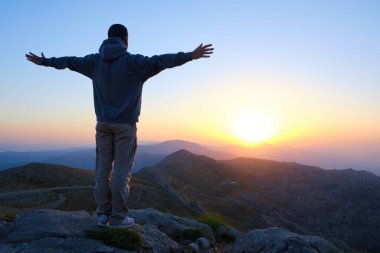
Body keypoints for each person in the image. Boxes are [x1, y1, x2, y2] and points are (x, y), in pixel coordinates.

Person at [25, 24, 214, 228]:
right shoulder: (134, 62)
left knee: (101, 170)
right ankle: (118, 218)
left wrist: (44, 62)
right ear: (125, 39)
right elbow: (161, 60)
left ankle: (103, 215)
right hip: (125, 126)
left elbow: (70, 62)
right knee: (121, 173)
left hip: (102, 125)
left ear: (108, 38)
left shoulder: (94, 62)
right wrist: (190, 55)